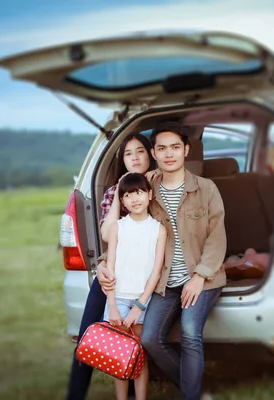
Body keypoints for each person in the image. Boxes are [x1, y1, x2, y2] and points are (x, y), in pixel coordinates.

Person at [101, 125, 227, 400]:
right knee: (149, 340)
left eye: (174, 147)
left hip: (202, 278)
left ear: (186, 150)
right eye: (161, 148)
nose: (168, 154)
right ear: (154, 153)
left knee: (190, 333)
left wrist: (199, 277)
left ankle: (192, 395)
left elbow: (217, 240)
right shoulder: (145, 187)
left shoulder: (206, 189)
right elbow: (127, 231)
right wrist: (102, 262)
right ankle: (193, 387)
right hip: (163, 282)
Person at [65, 133, 156, 400]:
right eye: (128, 154)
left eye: (140, 151)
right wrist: (118, 193)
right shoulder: (112, 194)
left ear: (150, 154)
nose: (136, 157)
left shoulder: (158, 186)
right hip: (117, 271)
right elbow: (107, 234)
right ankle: (75, 394)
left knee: (137, 339)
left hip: (148, 275)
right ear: (123, 160)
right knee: (88, 332)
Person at [103, 173, 167, 400]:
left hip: (143, 301)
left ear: (149, 194)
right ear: (122, 201)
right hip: (118, 298)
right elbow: (109, 269)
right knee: (118, 357)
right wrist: (111, 305)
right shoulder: (117, 228)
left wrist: (139, 306)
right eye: (127, 195)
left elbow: (156, 273)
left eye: (139, 192)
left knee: (138, 356)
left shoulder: (158, 229)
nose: (134, 199)